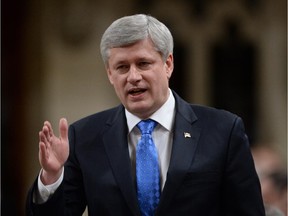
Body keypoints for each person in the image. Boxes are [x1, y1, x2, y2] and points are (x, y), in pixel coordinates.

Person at [26, 14, 265, 216]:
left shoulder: (223, 130)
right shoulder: (85, 137)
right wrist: (52, 177)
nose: (133, 77)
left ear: (168, 64)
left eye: (143, 63)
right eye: (122, 67)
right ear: (110, 74)